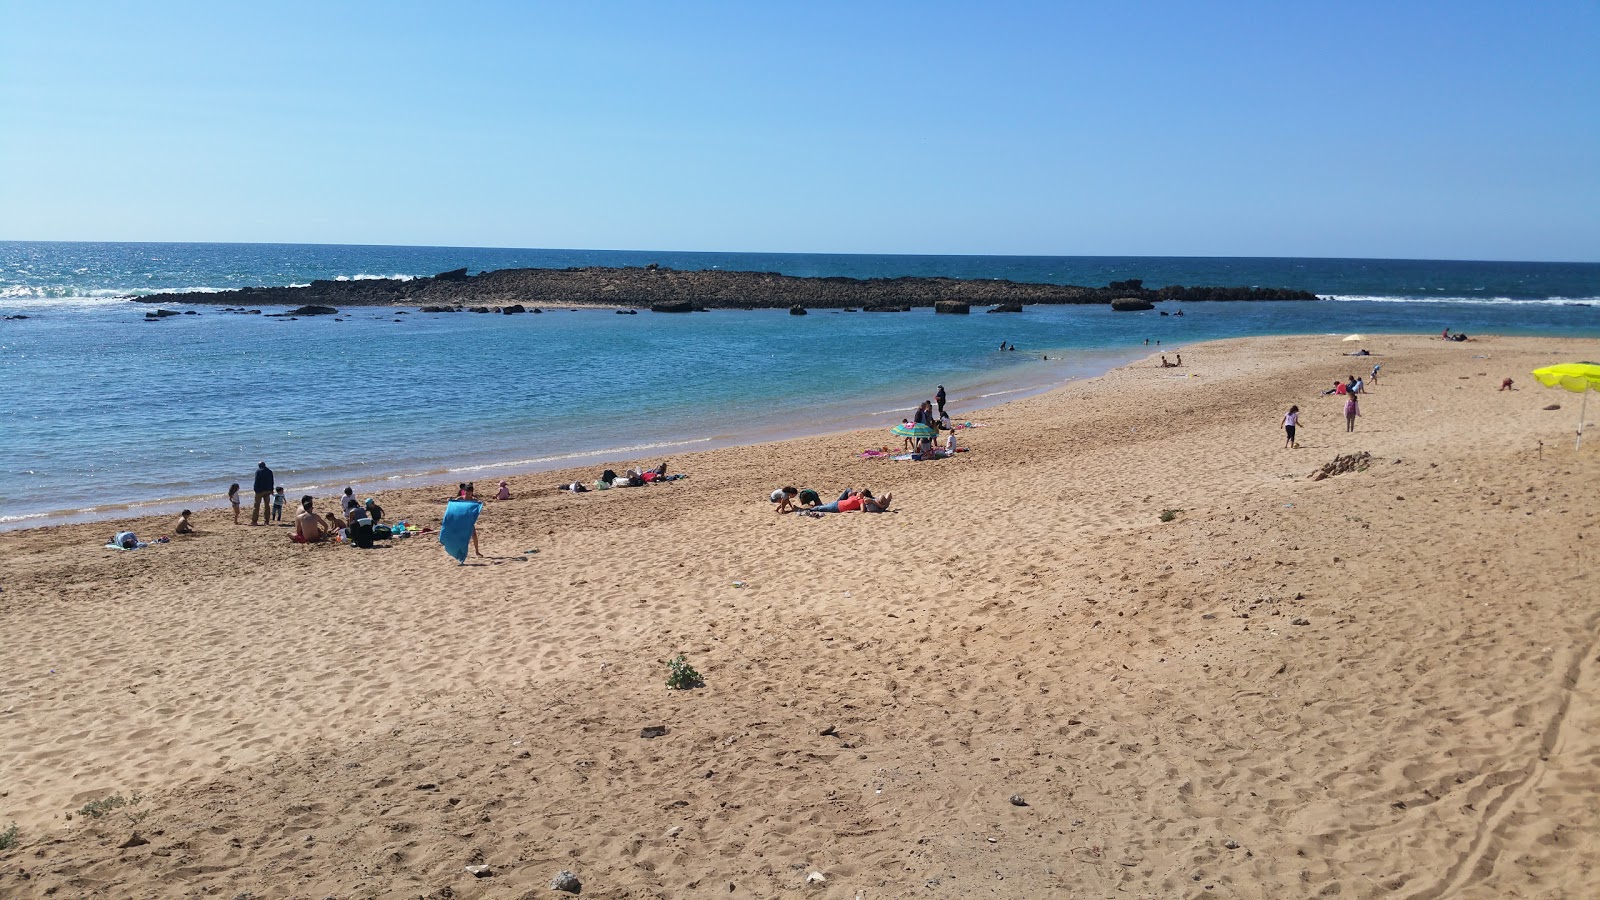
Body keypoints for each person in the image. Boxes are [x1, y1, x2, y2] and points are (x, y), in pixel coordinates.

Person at [251, 462, 274, 526]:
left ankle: (254, 521)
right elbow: (272, 481)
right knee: (267, 506)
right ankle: (267, 521)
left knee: (256, 506)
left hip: (259, 491)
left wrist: (255, 489)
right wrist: (271, 489)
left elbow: (256, 481)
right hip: (267, 490)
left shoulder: (258, 471)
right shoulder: (269, 471)